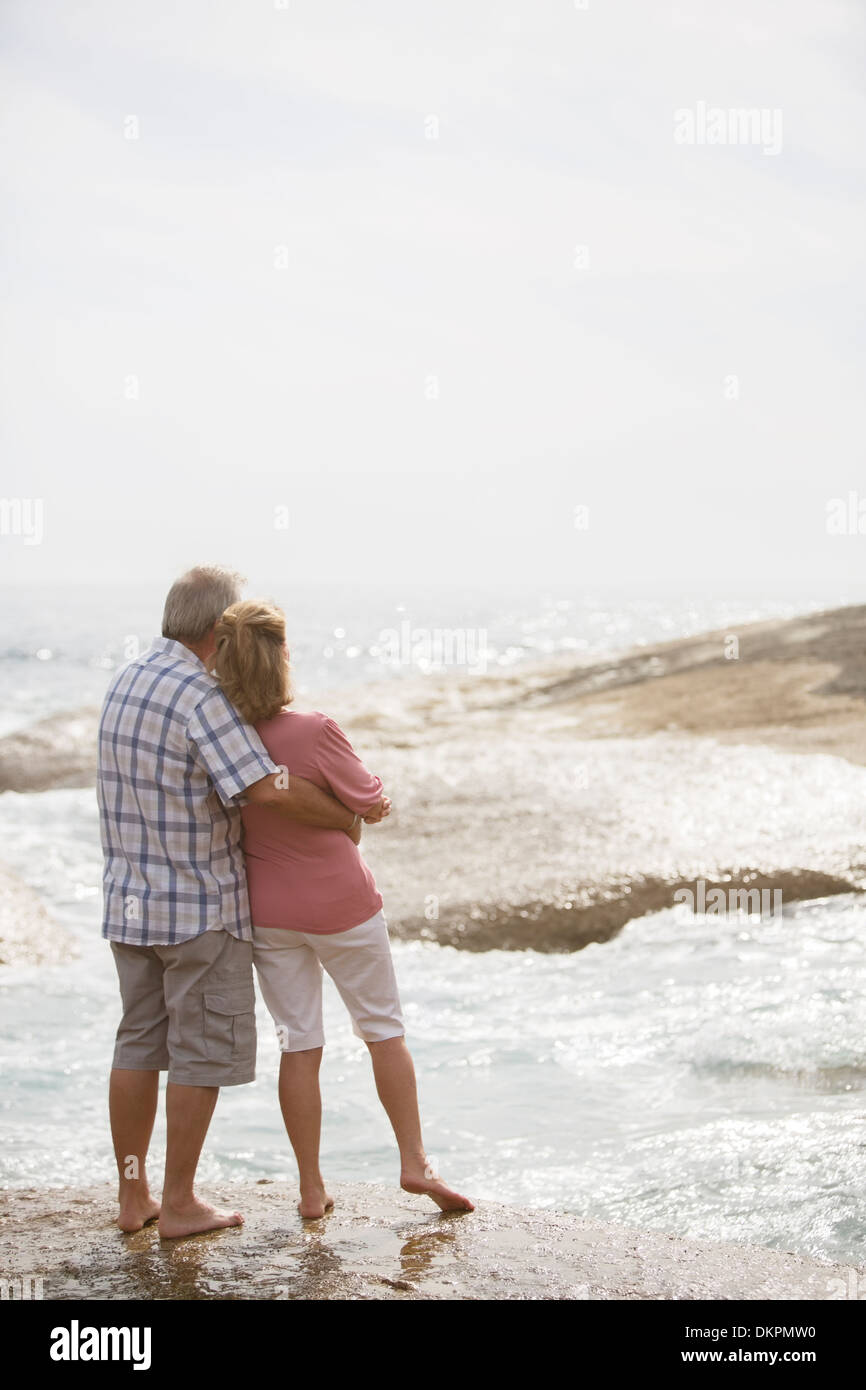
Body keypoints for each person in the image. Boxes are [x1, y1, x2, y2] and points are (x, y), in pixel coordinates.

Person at [97, 566, 389, 1238]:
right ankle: (177, 1203)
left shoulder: (127, 679)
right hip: (197, 910)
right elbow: (268, 786)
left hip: (129, 906)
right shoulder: (201, 695)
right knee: (199, 1055)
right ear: (216, 632)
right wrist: (348, 817)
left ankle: (132, 1197)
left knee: (138, 1045)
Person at [212, 599, 474, 1217]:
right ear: (280, 659)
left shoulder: (223, 739)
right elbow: (370, 797)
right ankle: (413, 1163)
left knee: (299, 1044)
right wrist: (362, 808)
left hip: (270, 913)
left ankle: (310, 1188)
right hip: (342, 905)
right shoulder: (313, 729)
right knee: (383, 1030)